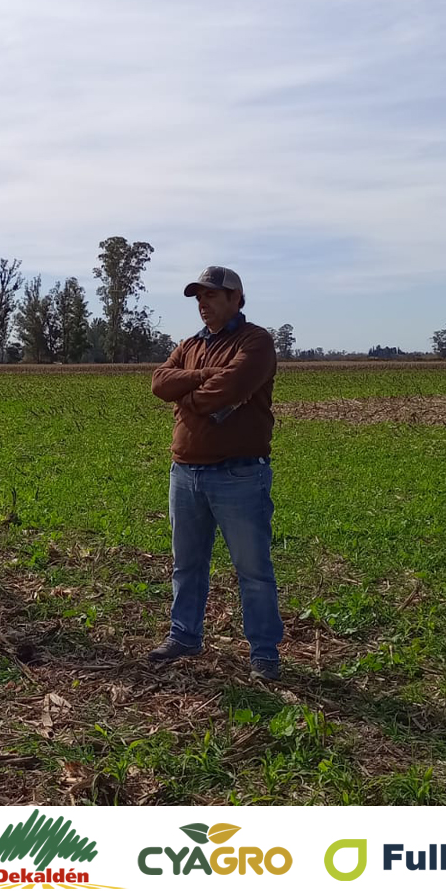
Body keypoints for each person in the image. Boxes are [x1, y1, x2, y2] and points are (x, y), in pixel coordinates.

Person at [148, 265, 284, 679]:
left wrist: (184, 396)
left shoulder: (256, 342)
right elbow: (158, 382)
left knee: (253, 570)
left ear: (236, 298)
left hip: (239, 475)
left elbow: (222, 394)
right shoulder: (191, 345)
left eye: (211, 295)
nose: (203, 304)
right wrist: (201, 376)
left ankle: (264, 654)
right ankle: (184, 635)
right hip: (185, 474)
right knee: (186, 564)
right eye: (199, 297)